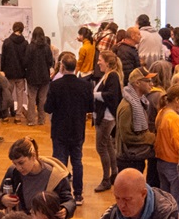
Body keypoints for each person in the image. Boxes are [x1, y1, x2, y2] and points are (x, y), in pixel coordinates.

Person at [46, 52, 93, 204]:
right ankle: (78, 194)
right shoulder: (85, 85)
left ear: (62, 66)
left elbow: (48, 108)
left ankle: (62, 193)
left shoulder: (55, 85)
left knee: (60, 162)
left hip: (60, 129)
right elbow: (90, 107)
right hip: (78, 128)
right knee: (77, 161)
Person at [0, 137, 76, 219]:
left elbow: (69, 201)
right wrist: (2, 199)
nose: (18, 168)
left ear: (33, 156)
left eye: (21, 163)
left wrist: (66, 209)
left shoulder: (56, 175)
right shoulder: (13, 171)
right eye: (15, 164)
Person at [92, 50, 124, 193]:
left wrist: (94, 95)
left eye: (100, 60)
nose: (98, 62)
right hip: (105, 116)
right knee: (109, 146)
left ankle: (106, 179)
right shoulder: (110, 75)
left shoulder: (112, 76)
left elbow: (111, 95)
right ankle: (114, 173)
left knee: (101, 147)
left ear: (108, 62)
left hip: (106, 117)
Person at [116, 68, 156, 176]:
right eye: (148, 81)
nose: (151, 84)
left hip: (134, 157)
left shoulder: (137, 102)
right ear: (137, 83)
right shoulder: (128, 106)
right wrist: (151, 138)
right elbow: (127, 137)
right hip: (128, 159)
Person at [154, 83, 179, 203]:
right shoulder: (174, 118)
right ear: (177, 100)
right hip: (172, 162)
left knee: (165, 200)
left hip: (161, 160)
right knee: (175, 201)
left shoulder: (161, 112)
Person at [24, 27, 53, 127]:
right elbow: (50, 62)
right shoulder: (46, 47)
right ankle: (41, 119)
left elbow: (26, 62)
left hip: (32, 76)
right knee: (42, 99)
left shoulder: (30, 47)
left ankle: (31, 120)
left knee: (31, 99)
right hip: (44, 76)